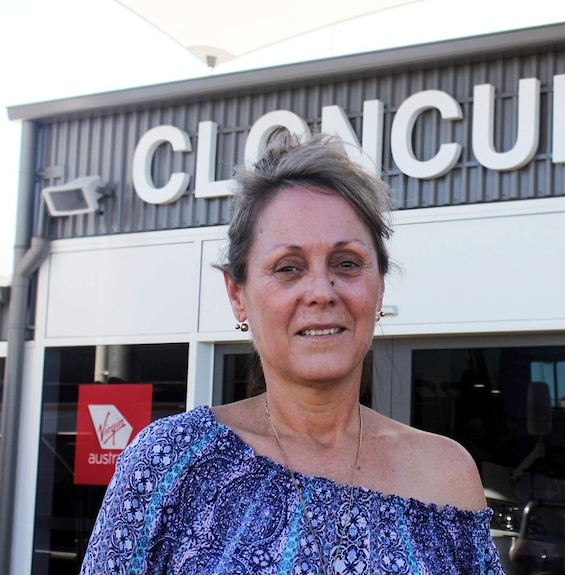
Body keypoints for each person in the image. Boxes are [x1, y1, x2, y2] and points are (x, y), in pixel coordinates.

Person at [80, 133, 506, 574]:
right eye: (289, 267)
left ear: (379, 286)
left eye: (346, 263)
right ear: (237, 294)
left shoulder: (447, 477)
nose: (321, 292)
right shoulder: (170, 462)